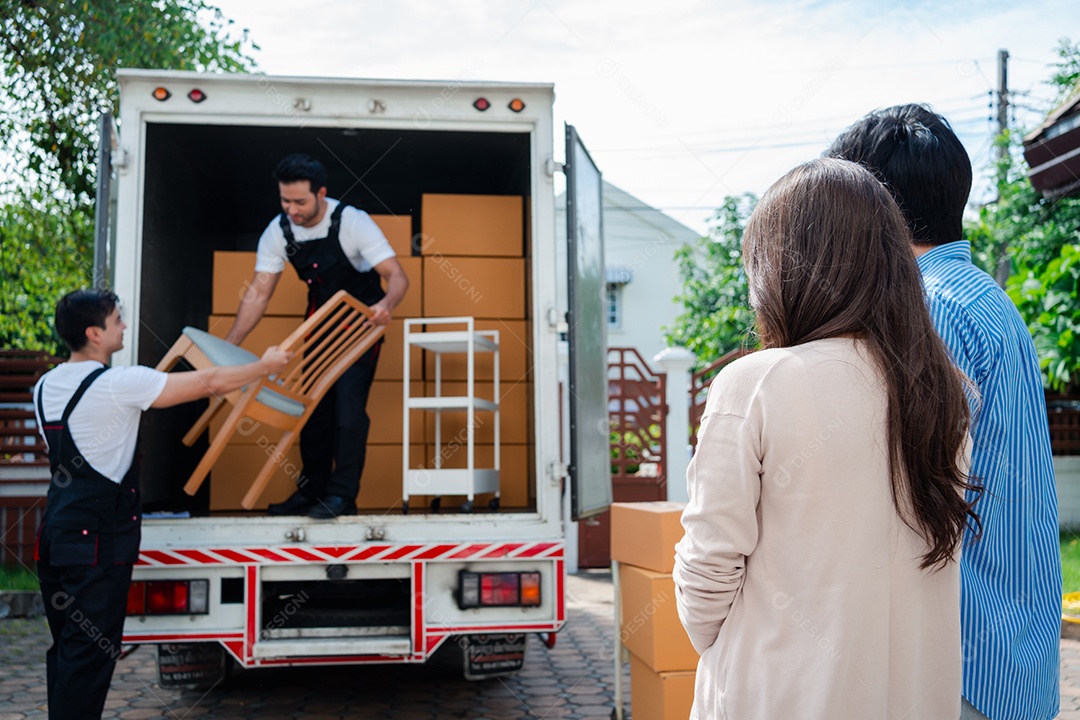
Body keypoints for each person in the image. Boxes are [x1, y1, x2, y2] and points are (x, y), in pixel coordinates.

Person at [673, 158, 978, 719]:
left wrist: (729, 647)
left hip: (780, 696)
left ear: (779, 268)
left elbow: (707, 571)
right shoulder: (942, 392)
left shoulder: (754, 384)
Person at [828, 104, 1061, 720]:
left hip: (961, 658)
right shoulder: (982, 297)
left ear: (872, 205)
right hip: (1005, 651)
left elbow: (901, 492)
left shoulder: (928, 311)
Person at [34, 288, 290, 720]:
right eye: (118, 320)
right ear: (95, 333)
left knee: (69, 650)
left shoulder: (44, 386)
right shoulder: (118, 383)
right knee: (90, 656)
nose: (125, 326)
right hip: (96, 542)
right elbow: (206, 382)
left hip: (57, 534)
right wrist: (263, 367)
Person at [225, 153, 408, 519]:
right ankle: (311, 495)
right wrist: (229, 344)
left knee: (348, 413)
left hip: (360, 328)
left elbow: (397, 276)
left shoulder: (352, 222)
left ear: (321, 193)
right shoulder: (279, 231)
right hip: (318, 327)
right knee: (312, 414)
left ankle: (343, 497)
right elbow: (258, 294)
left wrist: (387, 304)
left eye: (300, 202)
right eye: (285, 200)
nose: (291, 209)